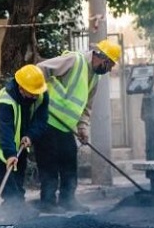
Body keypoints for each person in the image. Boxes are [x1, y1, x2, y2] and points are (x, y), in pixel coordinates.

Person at [34, 39, 121, 213]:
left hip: (65, 126)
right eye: (109, 64)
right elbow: (40, 69)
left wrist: (82, 127)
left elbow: (86, 105)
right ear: (100, 56)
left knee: (69, 162)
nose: (109, 69)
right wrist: (36, 94)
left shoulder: (94, 77)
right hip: (47, 121)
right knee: (49, 164)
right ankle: (48, 202)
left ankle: (67, 200)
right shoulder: (74, 60)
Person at [0, 64, 49, 217]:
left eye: (36, 93)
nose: (35, 96)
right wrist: (10, 154)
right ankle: (12, 206)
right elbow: (5, 130)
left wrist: (30, 135)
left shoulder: (40, 92)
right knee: (7, 168)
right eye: (31, 93)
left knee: (21, 164)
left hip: (20, 132)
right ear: (21, 88)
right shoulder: (6, 102)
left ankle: (19, 204)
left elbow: (41, 120)